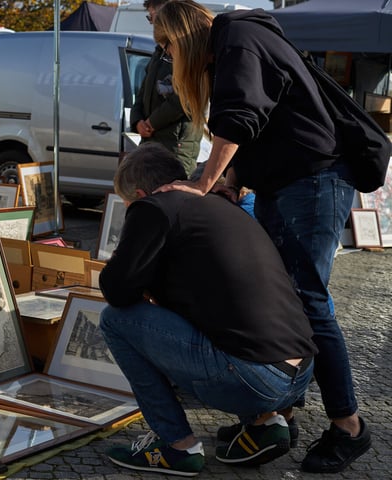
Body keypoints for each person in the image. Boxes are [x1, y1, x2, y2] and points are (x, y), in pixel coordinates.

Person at [152, 1, 372, 473]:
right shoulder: (233, 44)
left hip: (314, 180)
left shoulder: (237, 37)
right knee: (282, 300)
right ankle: (279, 415)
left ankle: (348, 426)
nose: (167, 55)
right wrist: (234, 180)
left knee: (307, 302)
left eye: (166, 44)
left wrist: (203, 182)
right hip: (288, 183)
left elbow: (241, 116)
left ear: (185, 34)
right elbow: (264, 121)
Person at [99, 143, 317, 476]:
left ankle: (177, 446)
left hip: (256, 379)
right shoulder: (216, 204)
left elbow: (115, 290)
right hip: (300, 375)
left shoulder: (153, 207)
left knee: (114, 320)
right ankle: (262, 422)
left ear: (141, 194)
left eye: (128, 204)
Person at [129, 0, 202, 176]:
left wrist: (152, 122)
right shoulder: (159, 51)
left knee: (172, 195)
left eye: (153, 16)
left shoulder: (188, 51)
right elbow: (143, 91)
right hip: (151, 142)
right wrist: (137, 121)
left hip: (176, 145)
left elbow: (186, 98)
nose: (152, 22)